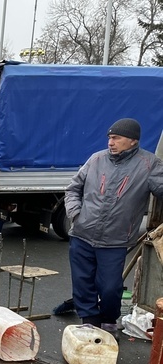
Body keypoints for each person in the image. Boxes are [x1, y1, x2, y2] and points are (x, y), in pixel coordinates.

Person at [64, 118, 163, 334]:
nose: (111, 142)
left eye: (116, 138)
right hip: (82, 233)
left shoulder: (149, 164)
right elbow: (73, 188)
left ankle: (109, 321)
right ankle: (89, 321)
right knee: (83, 283)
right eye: (110, 137)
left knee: (110, 288)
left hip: (115, 240)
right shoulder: (96, 159)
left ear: (133, 141)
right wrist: (75, 214)